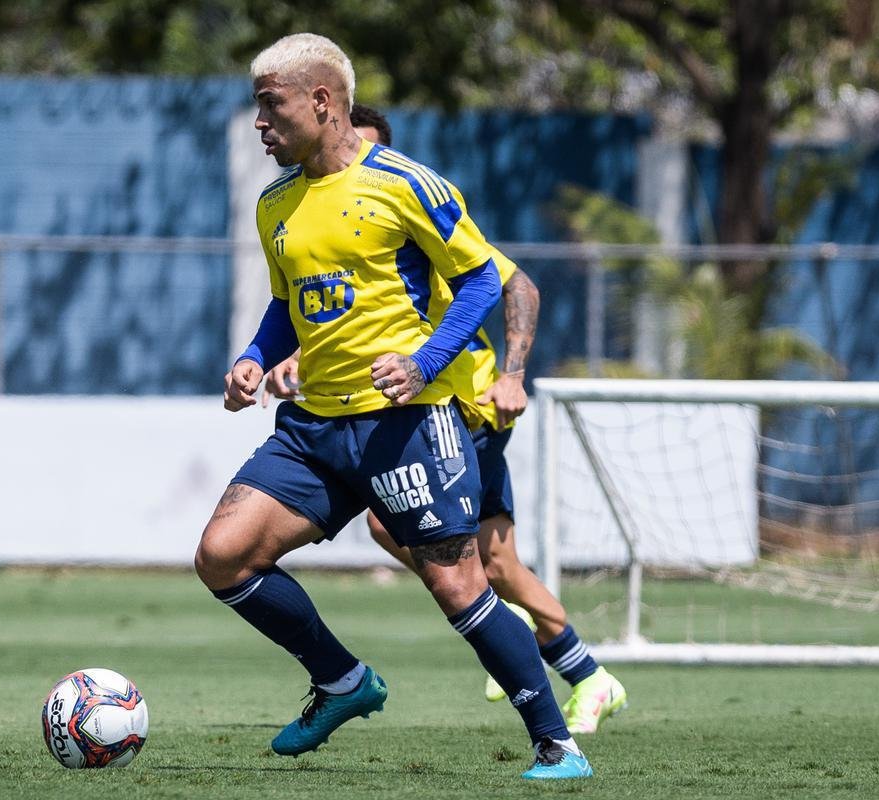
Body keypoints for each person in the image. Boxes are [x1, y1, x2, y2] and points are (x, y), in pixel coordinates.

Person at [193, 33, 592, 780]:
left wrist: (424, 362)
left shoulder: (408, 184)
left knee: (458, 583)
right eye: (257, 109)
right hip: (313, 428)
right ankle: (343, 680)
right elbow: (286, 305)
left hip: (406, 424)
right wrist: (252, 357)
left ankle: (556, 742)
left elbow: (481, 280)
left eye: (269, 106)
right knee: (222, 556)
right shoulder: (275, 202)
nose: (259, 124)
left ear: (322, 102)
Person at [264, 105, 627, 735]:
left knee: (488, 561)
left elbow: (516, 285)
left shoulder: (413, 206)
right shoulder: (334, 220)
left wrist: (512, 375)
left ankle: (586, 675)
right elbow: (340, 317)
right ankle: (561, 659)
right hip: (412, 408)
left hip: (468, 404)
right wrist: (282, 359)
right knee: (418, 536)